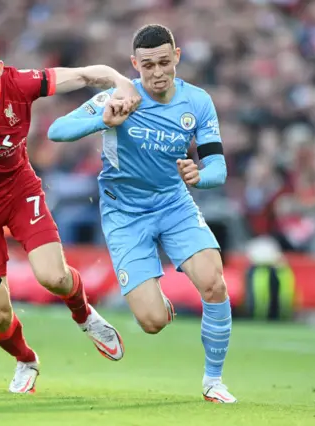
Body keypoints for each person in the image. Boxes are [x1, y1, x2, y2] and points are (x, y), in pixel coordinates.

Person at [0, 32, 141, 394]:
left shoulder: (20, 84)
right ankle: (25, 359)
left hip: (19, 190)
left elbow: (83, 75)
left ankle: (85, 316)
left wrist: (121, 81)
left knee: (53, 276)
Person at [47, 24, 236, 403]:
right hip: (124, 211)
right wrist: (104, 120)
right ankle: (158, 305)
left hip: (173, 203)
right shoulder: (119, 97)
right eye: (147, 65)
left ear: (177, 57)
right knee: (152, 323)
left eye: (165, 62)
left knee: (214, 283)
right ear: (135, 64)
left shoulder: (197, 102)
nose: (157, 72)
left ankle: (214, 381)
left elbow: (218, 165)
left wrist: (201, 176)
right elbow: (57, 129)